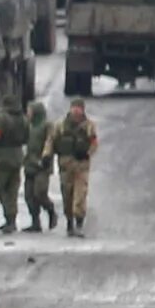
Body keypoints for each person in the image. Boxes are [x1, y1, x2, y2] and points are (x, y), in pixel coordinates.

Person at [52, 99, 100, 235]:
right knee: (67, 194)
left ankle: (79, 222)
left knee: (80, 195)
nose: (76, 111)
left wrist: (87, 153)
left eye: (79, 108)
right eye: (74, 108)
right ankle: (69, 222)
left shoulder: (89, 126)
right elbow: (52, 141)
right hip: (65, 165)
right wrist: (47, 155)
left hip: (81, 165)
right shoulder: (61, 125)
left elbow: (94, 142)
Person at [0, 99, 30, 233]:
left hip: (0, 159)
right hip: (16, 158)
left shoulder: (2, 119)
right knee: (11, 192)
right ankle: (11, 221)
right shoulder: (23, 119)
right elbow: (27, 137)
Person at [22, 99, 58, 232]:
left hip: (42, 165)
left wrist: (46, 156)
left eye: (30, 111)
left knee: (40, 193)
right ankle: (35, 222)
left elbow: (50, 140)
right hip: (29, 164)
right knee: (29, 195)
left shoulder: (46, 125)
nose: (28, 114)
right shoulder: (29, 126)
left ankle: (50, 210)